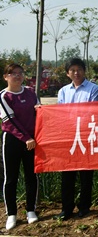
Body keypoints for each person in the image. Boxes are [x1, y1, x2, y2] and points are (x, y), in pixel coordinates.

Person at [55, 58, 98, 220]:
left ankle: (84, 207)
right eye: (72, 70)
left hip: (86, 136)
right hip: (68, 137)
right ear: (67, 73)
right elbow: (60, 113)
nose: (76, 73)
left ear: (84, 71)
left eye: (79, 69)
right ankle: (66, 208)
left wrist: (74, 120)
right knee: (67, 175)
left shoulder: (94, 89)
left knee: (85, 174)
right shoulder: (63, 91)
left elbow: (92, 112)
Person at [1, 64, 40, 230]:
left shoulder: (30, 92)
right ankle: (11, 213)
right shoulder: (3, 96)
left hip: (32, 140)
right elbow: (9, 121)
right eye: (13, 73)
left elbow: (39, 113)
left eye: (20, 73)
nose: (17, 76)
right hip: (13, 140)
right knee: (11, 178)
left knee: (32, 175)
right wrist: (26, 138)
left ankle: (31, 210)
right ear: (6, 77)